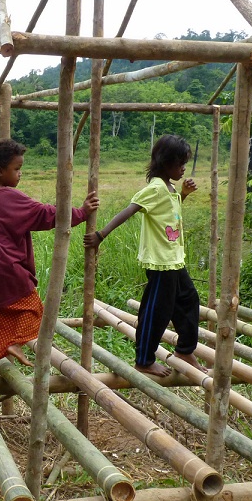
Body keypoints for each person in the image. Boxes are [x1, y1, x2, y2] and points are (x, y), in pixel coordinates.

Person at [0, 138, 99, 382]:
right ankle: (11, 342)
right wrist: (82, 213)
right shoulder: (11, 197)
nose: (20, 174)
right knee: (32, 313)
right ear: (1, 171)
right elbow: (46, 214)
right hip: (9, 272)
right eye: (17, 168)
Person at [85, 134, 206, 377]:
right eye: (179, 163)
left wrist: (183, 195)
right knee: (156, 311)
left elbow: (169, 214)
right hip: (161, 263)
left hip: (174, 260)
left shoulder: (170, 188)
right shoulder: (155, 188)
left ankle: (184, 349)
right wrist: (101, 235)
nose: (183, 169)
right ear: (165, 163)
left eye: (184, 163)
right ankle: (144, 359)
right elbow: (129, 211)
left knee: (189, 301)